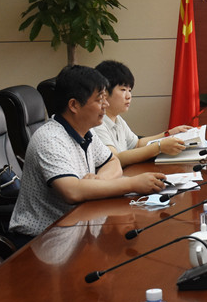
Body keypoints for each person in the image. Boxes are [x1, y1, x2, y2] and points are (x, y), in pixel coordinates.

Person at [9, 65, 167, 239]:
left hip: (78, 227)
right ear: (74, 105)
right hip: (41, 238)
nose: (106, 104)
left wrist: (99, 181)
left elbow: (112, 162)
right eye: (99, 100)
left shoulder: (86, 130)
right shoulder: (50, 139)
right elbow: (72, 191)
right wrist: (132, 184)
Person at [93, 60, 192, 167]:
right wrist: (159, 147)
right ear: (104, 92)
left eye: (129, 90)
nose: (129, 96)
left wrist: (168, 133)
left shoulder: (118, 119)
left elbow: (137, 144)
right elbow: (115, 159)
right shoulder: (96, 123)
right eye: (123, 90)